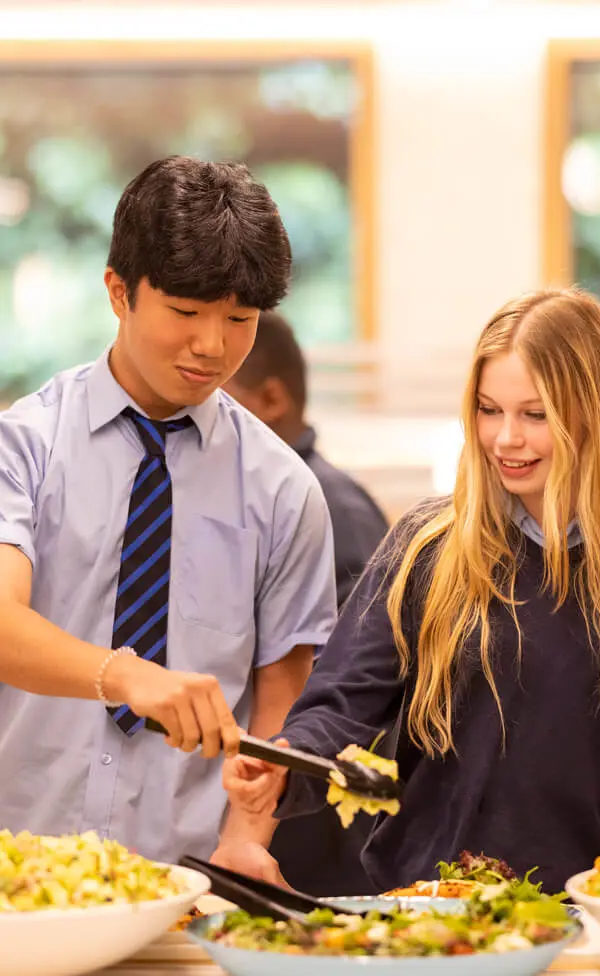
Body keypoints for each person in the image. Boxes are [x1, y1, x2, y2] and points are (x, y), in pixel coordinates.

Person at [218, 287, 600, 895]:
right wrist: (284, 763)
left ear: (592, 412)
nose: (505, 438)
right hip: (425, 902)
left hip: (593, 913)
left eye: (535, 414)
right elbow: (340, 704)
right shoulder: (426, 546)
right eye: (488, 409)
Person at [0, 156, 336, 871]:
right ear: (119, 293)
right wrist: (125, 675)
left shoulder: (283, 489)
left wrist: (244, 843)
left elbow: (283, 689)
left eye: (239, 318)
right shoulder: (24, 447)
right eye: (185, 312)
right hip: (18, 873)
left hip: (185, 882)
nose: (212, 346)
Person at [224, 310, 389, 895]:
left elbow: (346, 693)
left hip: (308, 832)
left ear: (271, 397)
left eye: (220, 399)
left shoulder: (329, 507)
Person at [224, 311, 389, 610]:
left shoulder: (337, 510)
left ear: (272, 399)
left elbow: (360, 649)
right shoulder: (234, 493)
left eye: (217, 401)